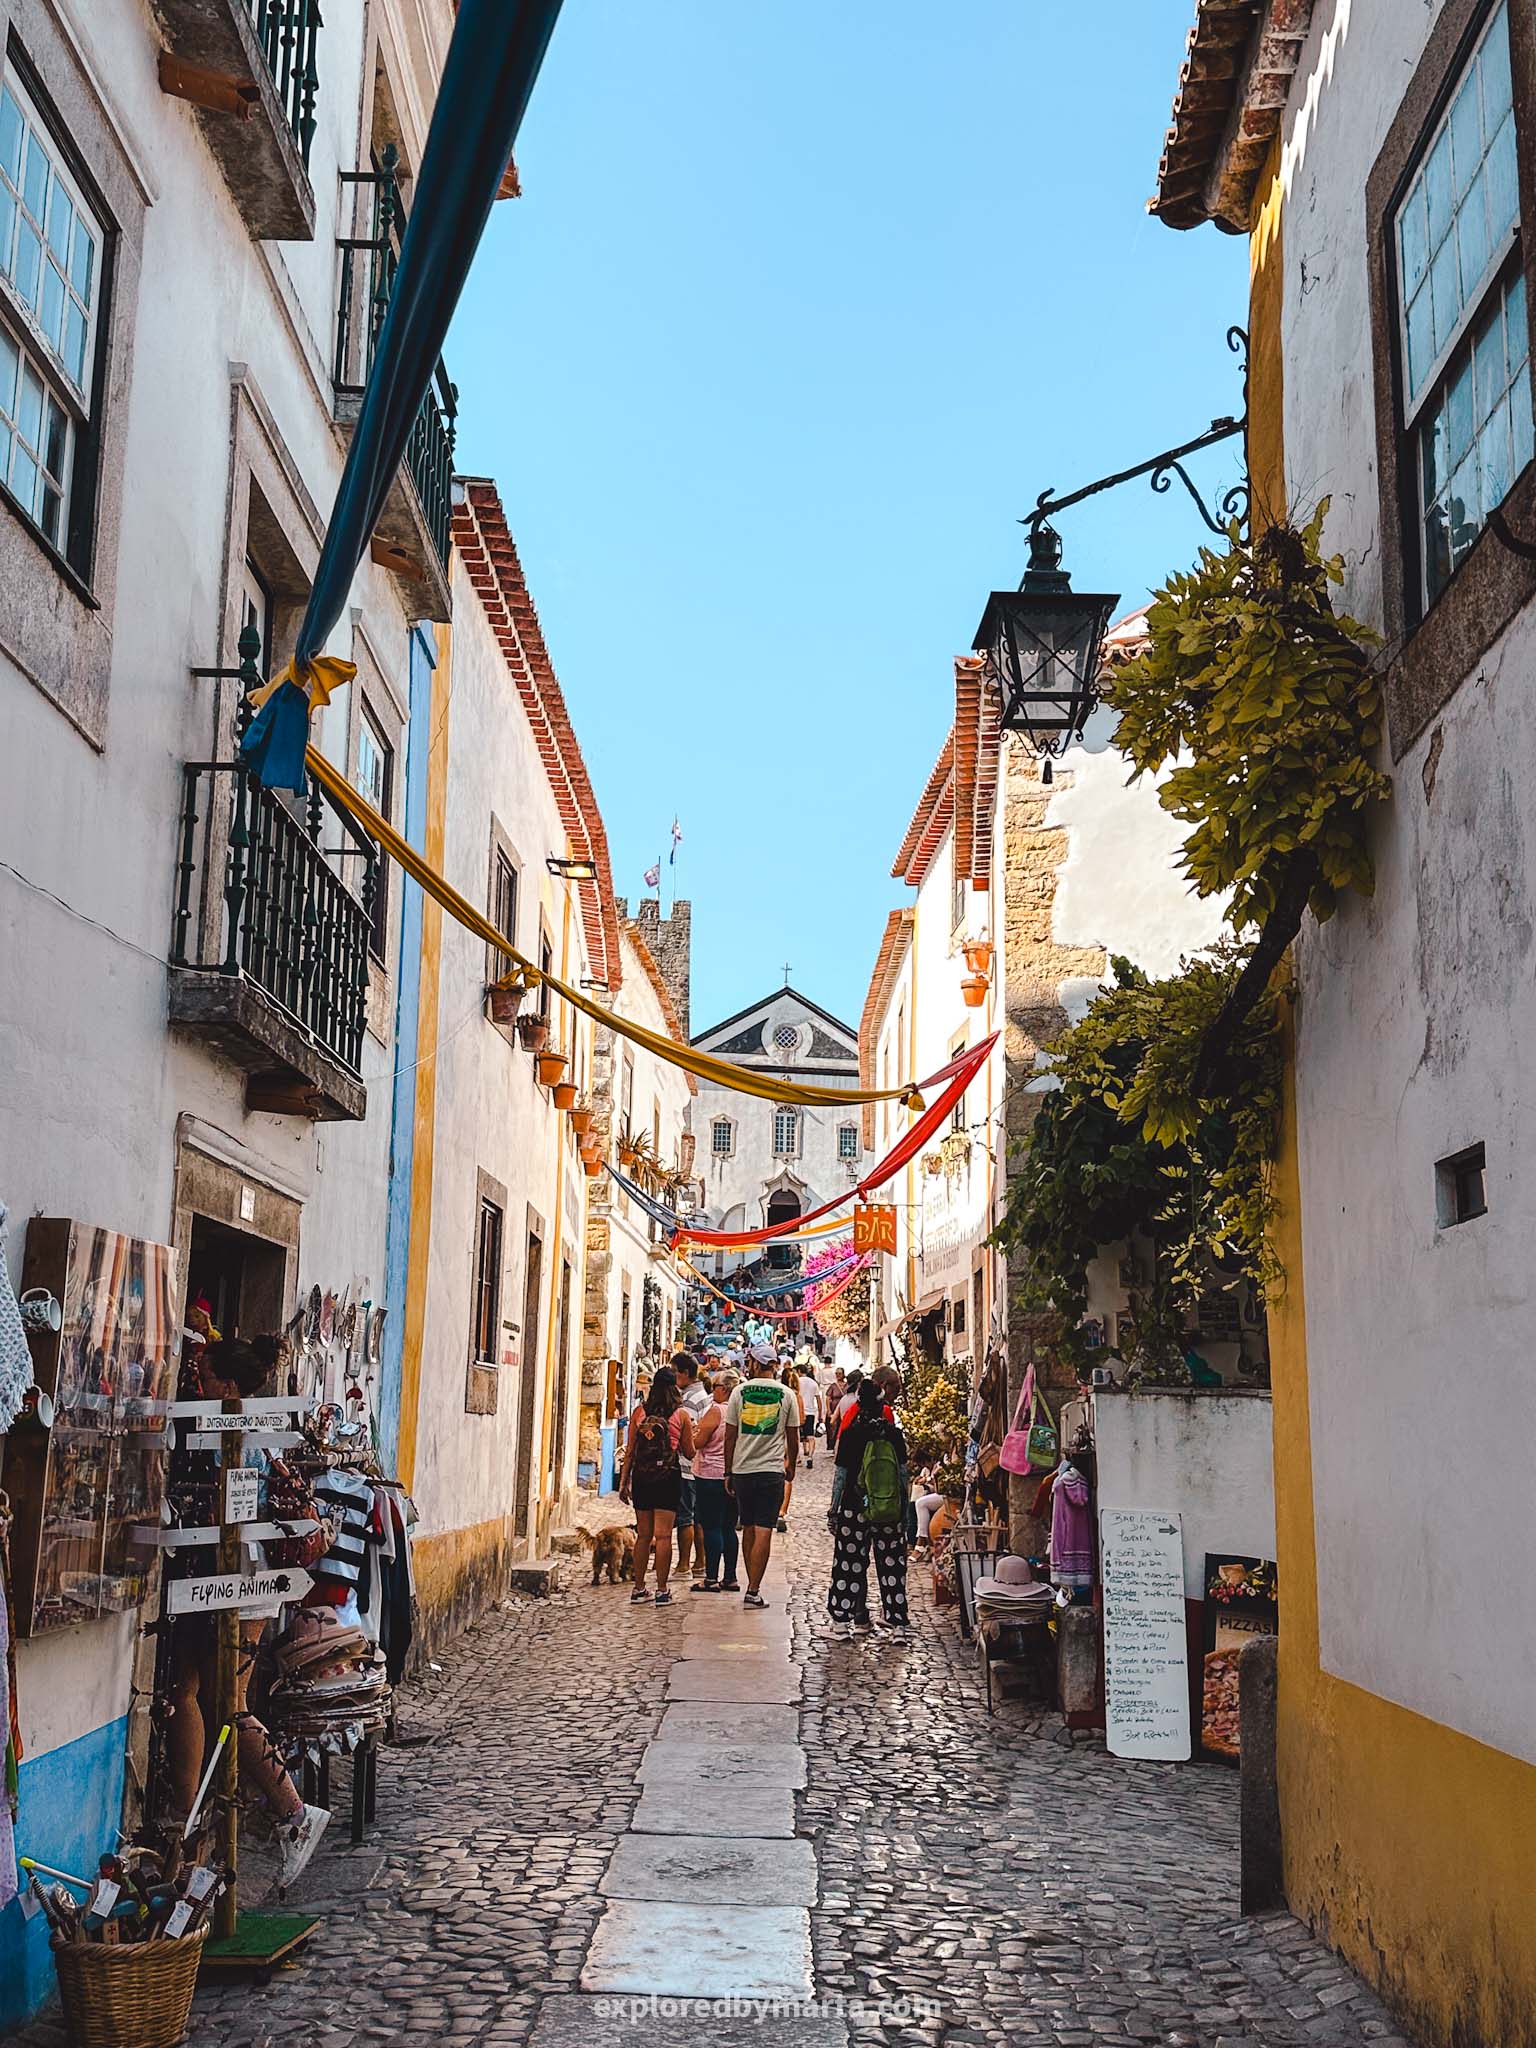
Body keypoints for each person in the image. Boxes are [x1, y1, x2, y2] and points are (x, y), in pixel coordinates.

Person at [167, 1337, 330, 1885]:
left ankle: (294, 1812)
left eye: (207, 1377)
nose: (200, 1385)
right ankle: (187, 1825)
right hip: (215, 1577)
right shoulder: (227, 1429)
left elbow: (221, 1510)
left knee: (230, 1705)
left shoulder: (231, 1434)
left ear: (229, 1387)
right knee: (185, 1691)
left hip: (243, 1578)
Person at [827, 1377, 911, 1638]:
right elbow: (903, 1475)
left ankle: (841, 1624)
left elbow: (841, 1476)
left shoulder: (852, 1434)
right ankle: (897, 1624)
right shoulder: (893, 1434)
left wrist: (834, 1510)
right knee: (892, 1565)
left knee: (849, 1564)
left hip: (855, 1508)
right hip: (888, 1510)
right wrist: (903, 1511)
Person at [723, 1342, 799, 1608]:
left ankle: (751, 1584)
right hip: (771, 1471)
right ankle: (754, 1589)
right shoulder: (786, 1394)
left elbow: (730, 1435)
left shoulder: (739, 1392)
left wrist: (728, 1470)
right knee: (764, 1529)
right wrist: (792, 1466)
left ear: (754, 1363)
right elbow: (793, 1436)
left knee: (748, 1527)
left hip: (743, 1470)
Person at [618, 1364, 696, 1606]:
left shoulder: (639, 1413)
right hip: (668, 1477)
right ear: (674, 1387)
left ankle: (639, 1588)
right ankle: (662, 1590)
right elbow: (689, 1452)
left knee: (643, 1536)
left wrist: (623, 1482)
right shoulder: (680, 1415)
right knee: (663, 1537)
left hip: (642, 1477)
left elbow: (630, 1451)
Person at [690, 1370, 740, 1593]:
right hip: (733, 1474)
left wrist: (693, 1432)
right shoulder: (739, 1411)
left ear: (723, 1389)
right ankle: (730, 1576)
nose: (712, 1389)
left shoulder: (716, 1411)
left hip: (710, 1474)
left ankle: (711, 1577)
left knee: (711, 1526)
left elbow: (699, 1442)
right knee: (729, 1527)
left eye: (714, 1385)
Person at [672, 1352, 711, 1582]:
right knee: (699, 1517)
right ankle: (700, 1563)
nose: (675, 1377)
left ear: (685, 1374)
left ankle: (684, 1564)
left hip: (687, 1466)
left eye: (676, 1372)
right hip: (700, 1465)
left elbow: (685, 1434)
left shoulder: (689, 1401)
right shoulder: (704, 1396)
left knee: (686, 1517)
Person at [795, 1363, 821, 1470]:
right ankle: (810, 1456)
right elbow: (819, 1400)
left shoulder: (797, 1382)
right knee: (810, 1435)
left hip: (798, 1411)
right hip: (810, 1412)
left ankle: (798, 1457)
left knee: (796, 1435)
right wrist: (820, 1414)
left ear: (799, 1371)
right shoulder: (813, 1383)